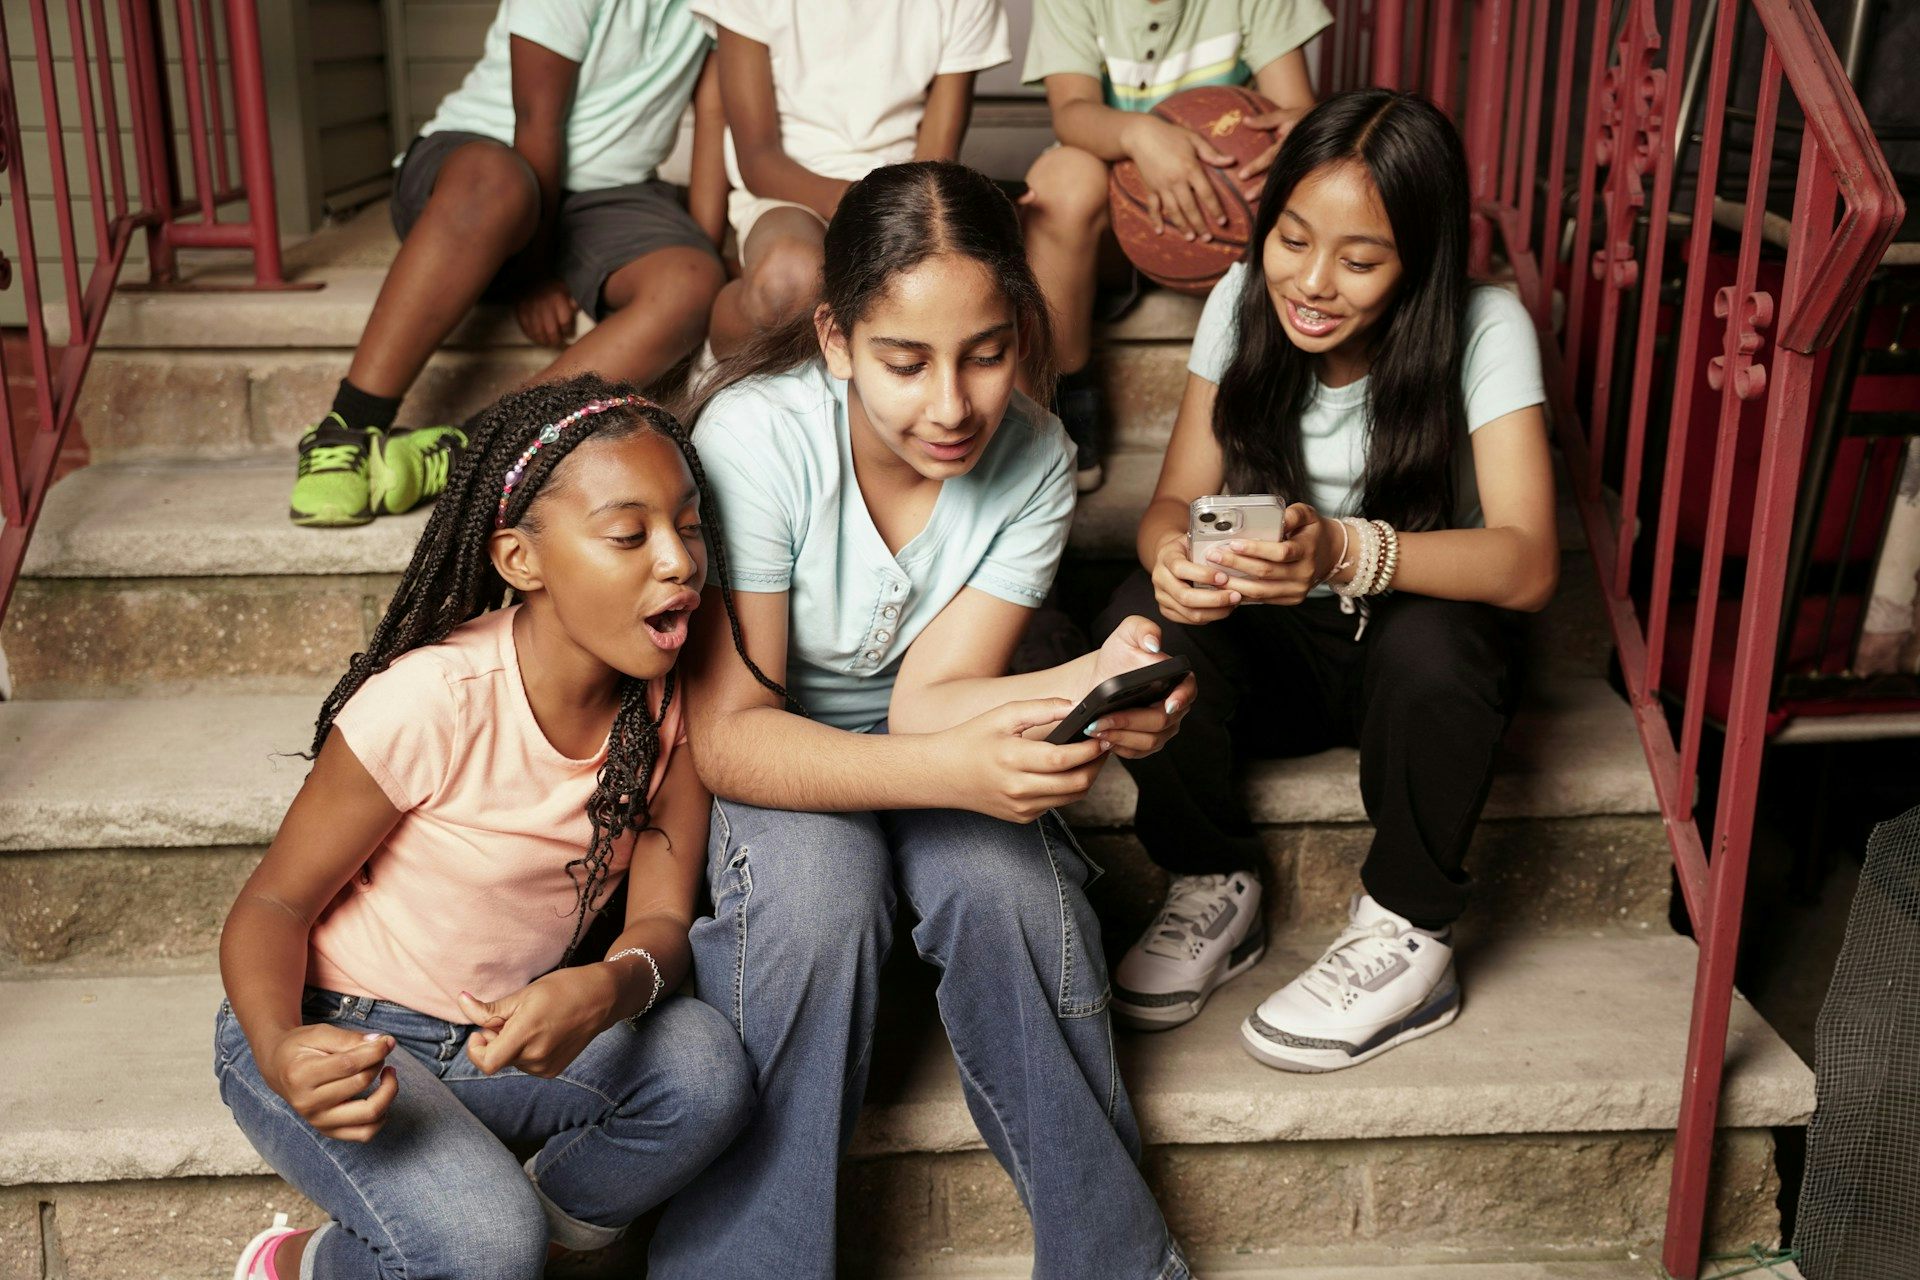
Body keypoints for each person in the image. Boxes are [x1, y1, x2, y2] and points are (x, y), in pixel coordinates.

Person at [648, 161, 1199, 1280]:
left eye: (988, 354)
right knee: (813, 902)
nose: (951, 406)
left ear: (1025, 332)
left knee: (1004, 887)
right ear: (837, 339)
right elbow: (735, 734)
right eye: (905, 361)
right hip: (781, 756)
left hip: (922, 740)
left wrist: (1100, 673)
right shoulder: (757, 439)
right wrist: (949, 768)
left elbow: (929, 700)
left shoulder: (1036, 455)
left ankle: (1119, 1263)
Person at [219, 378, 756, 1279]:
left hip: (490, 1044)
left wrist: (611, 987)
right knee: (481, 1243)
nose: (678, 560)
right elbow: (270, 903)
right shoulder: (435, 700)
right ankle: (305, 1267)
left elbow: (660, 922)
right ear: (520, 559)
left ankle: (500, 1244)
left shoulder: (671, 713)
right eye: (629, 535)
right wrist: (279, 1050)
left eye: (690, 526)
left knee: (704, 1071)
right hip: (341, 1032)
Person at [1095, 90, 1557, 1069]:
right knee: (1138, 617)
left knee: (1438, 642)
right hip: (1280, 662)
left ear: (1418, 261)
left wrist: (1347, 551)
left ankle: (1408, 928)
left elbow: (1526, 562)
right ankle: (1213, 878)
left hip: (1414, 673)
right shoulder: (1239, 301)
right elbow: (1172, 502)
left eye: (1358, 260)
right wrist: (1173, 562)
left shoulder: (1485, 326)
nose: (1311, 283)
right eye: (1292, 240)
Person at [288, 0, 730, 528]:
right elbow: (537, 120)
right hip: (484, 165)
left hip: (610, 197)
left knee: (693, 282)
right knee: (495, 182)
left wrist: (700, 253)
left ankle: (477, 448)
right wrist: (535, 276)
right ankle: (348, 426)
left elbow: (715, 113)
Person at [1019, 0, 1332, 491]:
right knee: (1061, 182)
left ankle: (1276, 401)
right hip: (1112, 231)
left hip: (1223, 225)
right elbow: (1071, 113)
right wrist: (1142, 135)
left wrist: (1295, 130)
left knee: (1311, 176)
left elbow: (1294, 107)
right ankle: (1063, 396)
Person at [693, 0, 1010, 357]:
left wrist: (896, 212)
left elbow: (935, 160)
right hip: (787, 193)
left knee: (932, 287)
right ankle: (713, 364)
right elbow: (758, 160)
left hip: (903, 198)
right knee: (790, 275)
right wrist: (858, 199)